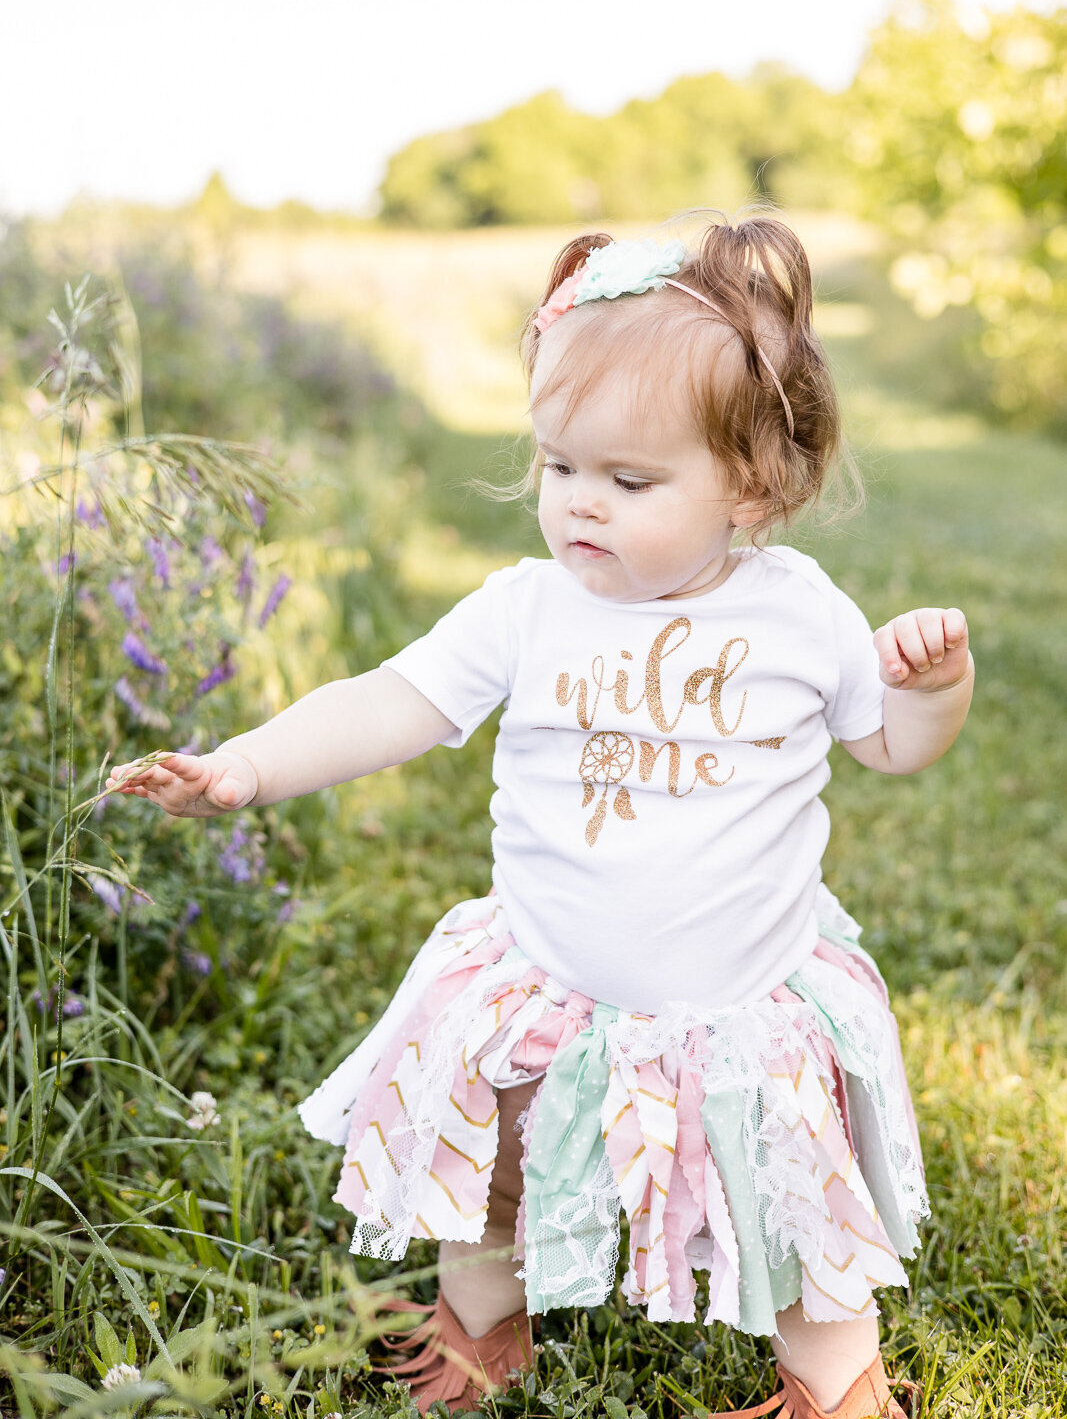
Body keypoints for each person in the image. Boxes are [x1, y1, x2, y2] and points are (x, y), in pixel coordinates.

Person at [108, 216, 974, 1419]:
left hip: (738, 1000)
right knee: (488, 1172)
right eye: (559, 466)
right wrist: (247, 768)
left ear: (751, 484)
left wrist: (934, 695)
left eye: (628, 481)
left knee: (791, 1201)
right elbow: (389, 700)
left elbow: (887, 745)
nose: (579, 506)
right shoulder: (527, 608)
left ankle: (834, 1385)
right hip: (545, 976)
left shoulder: (797, 613)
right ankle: (479, 1321)